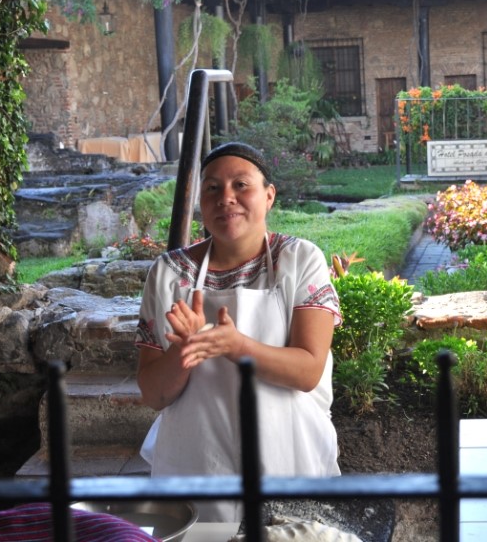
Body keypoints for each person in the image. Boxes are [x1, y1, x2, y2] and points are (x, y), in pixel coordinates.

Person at [134, 141, 341, 523]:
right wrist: (186, 352)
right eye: (212, 188)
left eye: (240, 185)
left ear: (269, 195)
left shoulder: (298, 260)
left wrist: (236, 346)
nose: (225, 198)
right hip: (196, 458)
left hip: (288, 452)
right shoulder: (168, 274)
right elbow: (153, 393)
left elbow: (308, 371)